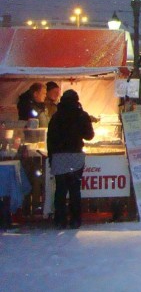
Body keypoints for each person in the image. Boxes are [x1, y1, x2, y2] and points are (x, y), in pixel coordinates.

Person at [46, 89, 94, 228]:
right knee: (74, 189)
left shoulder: (56, 116)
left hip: (59, 157)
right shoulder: (82, 115)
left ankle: (60, 220)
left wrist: (51, 157)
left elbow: (50, 139)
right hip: (75, 156)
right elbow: (89, 135)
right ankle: (75, 220)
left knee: (60, 189)